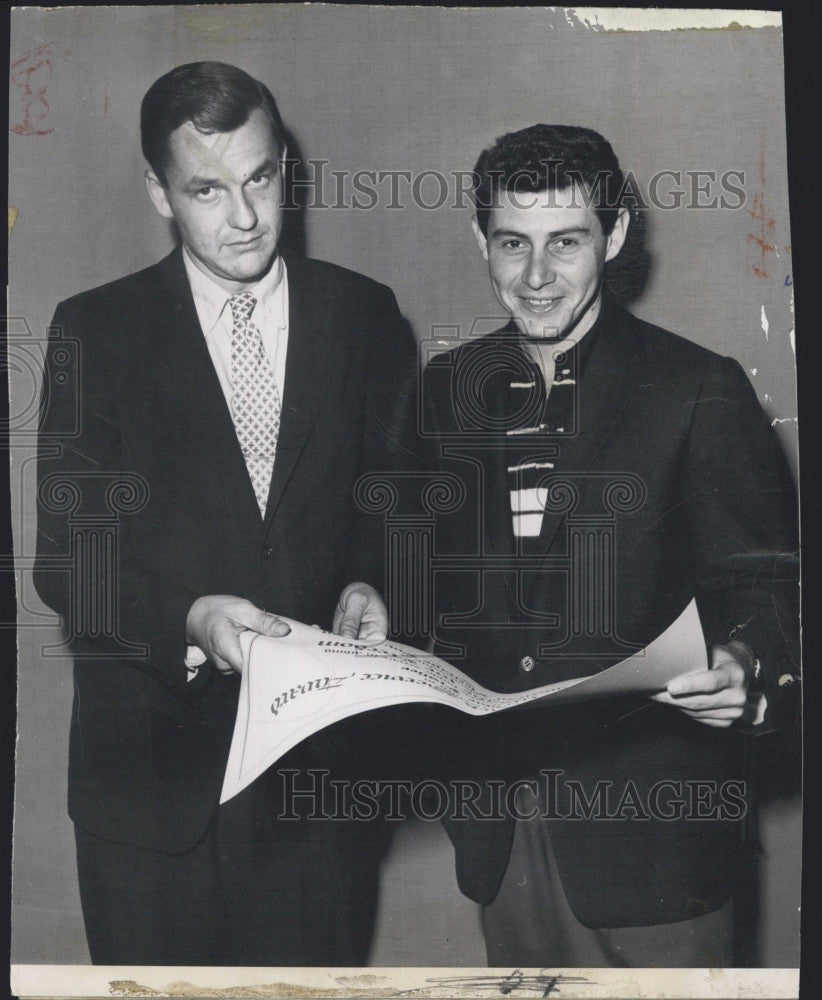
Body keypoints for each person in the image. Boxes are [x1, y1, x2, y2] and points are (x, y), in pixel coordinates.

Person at [34, 61, 416, 966]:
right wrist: (192, 619)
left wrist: (373, 576)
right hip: (149, 795)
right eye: (206, 189)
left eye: (261, 178)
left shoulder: (364, 316)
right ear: (159, 194)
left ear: (287, 167)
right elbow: (67, 562)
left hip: (316, 797)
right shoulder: (95, 329)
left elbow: (395, 499)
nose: (243, 218)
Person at [420, 125, 799, 966]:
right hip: (501, 832)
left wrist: (746, 660)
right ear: (478, 238)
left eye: (567, 242)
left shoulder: (699, 387)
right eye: (512, 243)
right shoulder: (445, 392)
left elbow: (767, 583)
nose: (536, 275)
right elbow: (412, 576)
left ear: (617, 235)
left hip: (657, 837)